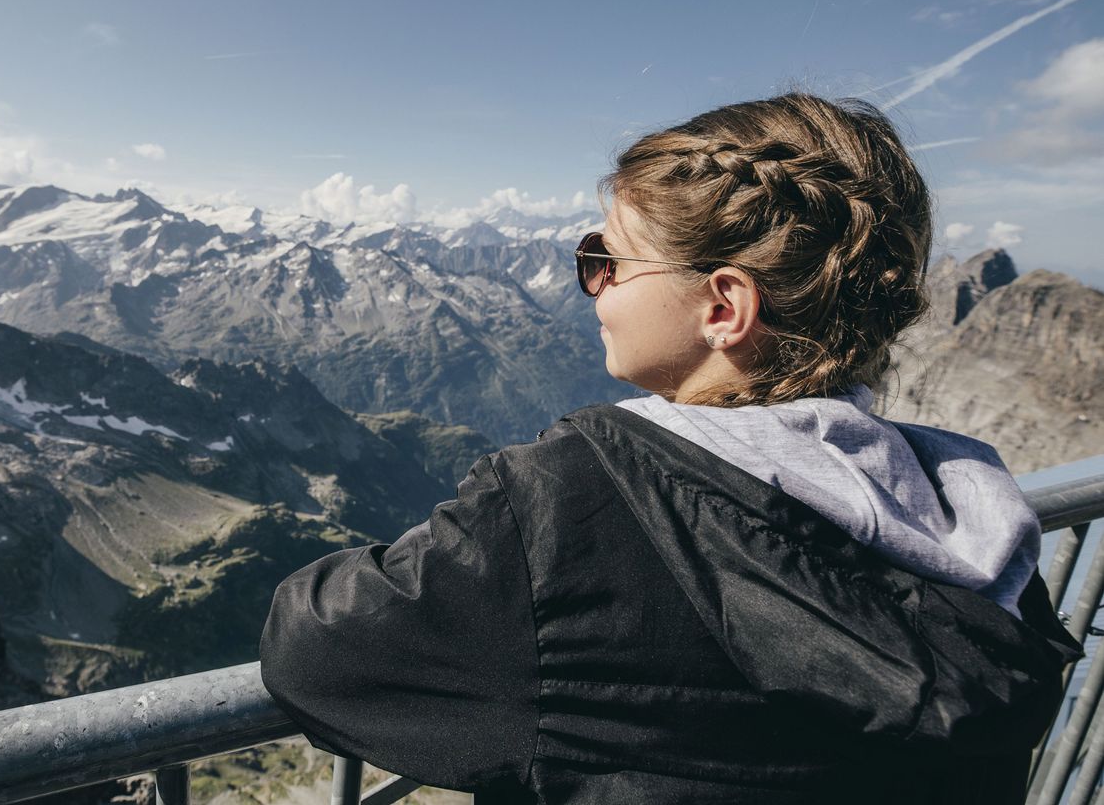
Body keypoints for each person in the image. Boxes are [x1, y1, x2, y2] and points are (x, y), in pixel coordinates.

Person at [258, 93, 1082, 805]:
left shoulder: (565, 509)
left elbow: (316, 648)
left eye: (606, 257)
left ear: (723, 306)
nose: (593, 282)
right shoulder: (982, 536)